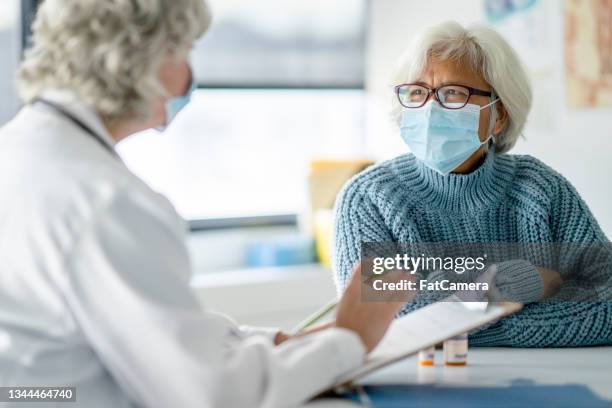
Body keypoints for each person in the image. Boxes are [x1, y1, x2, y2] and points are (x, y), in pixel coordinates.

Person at [0, 1, 410, 407]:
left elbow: (151, 324)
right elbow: (210, 395)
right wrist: (350, 338)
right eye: (184, 52)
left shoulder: (22, 151)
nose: (190, 75)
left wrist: (280, 342)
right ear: (138, 56)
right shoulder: (105, 201)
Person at [333, 21, 612, 348]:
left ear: (500, 114)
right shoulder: (368, 199)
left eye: (453, 93)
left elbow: (606, 301)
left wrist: (460, 316)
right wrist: (523, 281)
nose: (430, 108)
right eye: (418, 92)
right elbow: (383, 321)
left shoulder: (541, 189)